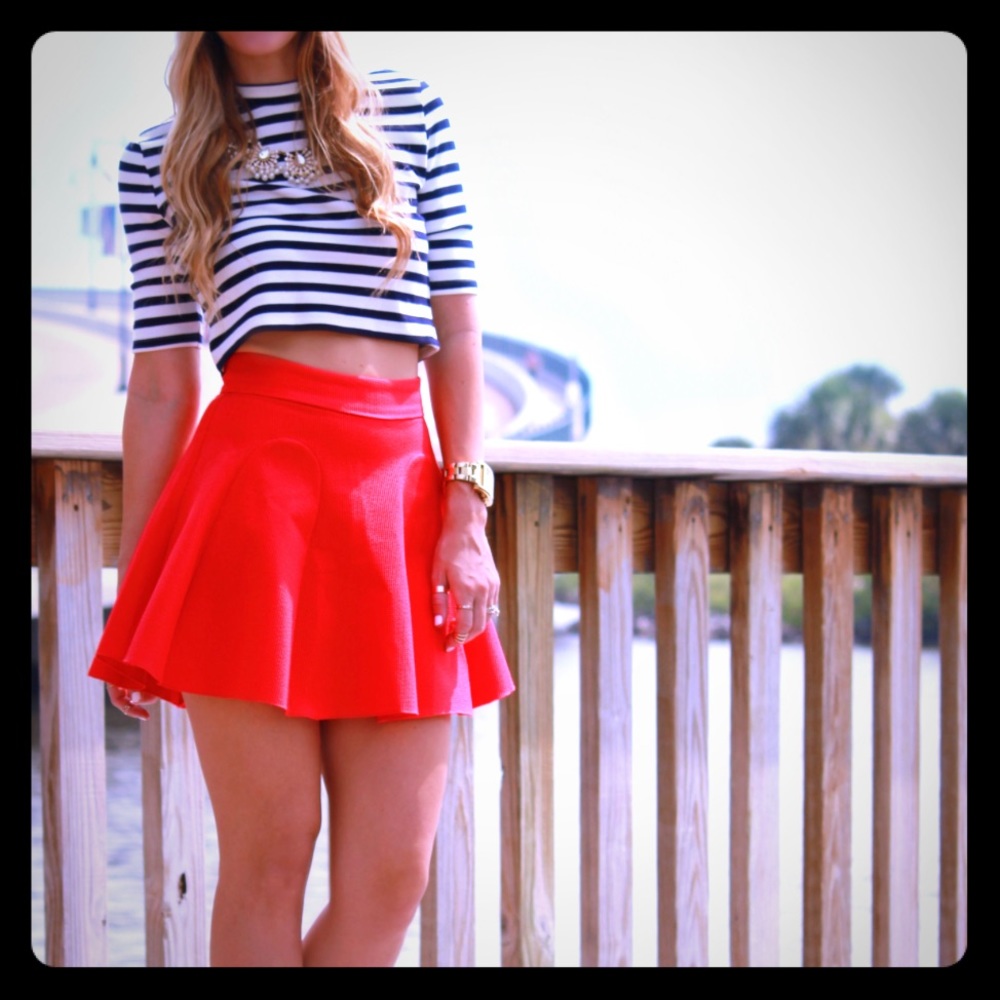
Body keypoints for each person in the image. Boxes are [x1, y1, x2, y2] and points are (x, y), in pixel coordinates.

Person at [88, 31, 514, 967]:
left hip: (400, 503)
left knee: (393, 875)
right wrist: (141, 587)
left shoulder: (410, 112)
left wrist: (464, 511)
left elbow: (460, 325)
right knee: (269, 860)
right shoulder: (160, 159)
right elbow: (162, 386)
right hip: (253, 507)